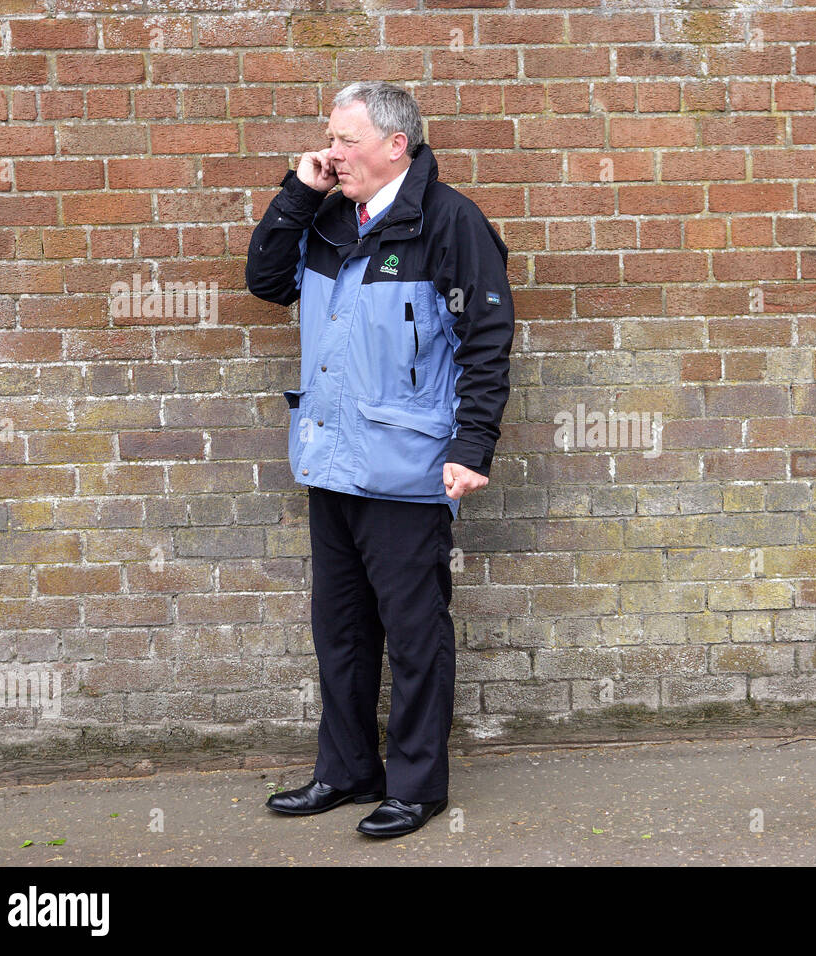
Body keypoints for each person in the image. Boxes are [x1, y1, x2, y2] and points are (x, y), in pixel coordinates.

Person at [245, 81, 513, 838]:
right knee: (342, 630)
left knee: (415, 632)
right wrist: (299, 192)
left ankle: (418, 785)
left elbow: (487, 340)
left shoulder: (450, 224)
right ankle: (347, 770)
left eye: (344, 140)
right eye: (328, 138)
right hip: (330, 462)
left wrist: (471, 447)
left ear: (396, 143)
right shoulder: (330, 219)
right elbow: (265, 283)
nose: (332, 152)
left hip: (409, 471)